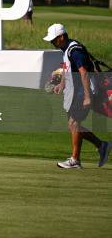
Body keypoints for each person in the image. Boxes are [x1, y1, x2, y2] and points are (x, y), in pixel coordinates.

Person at [43, 23, 110, 168]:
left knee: (73, 123)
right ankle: (101, 145)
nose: (52, 42)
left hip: (83, 92)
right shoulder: (66, 48)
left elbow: (83, 72)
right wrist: (62, 85)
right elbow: (68, 70)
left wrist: (87, 96)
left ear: (61, 37)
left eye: (54, 39)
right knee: (73, 125)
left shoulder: (75, 50)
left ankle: (75, 160)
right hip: (76, 92)